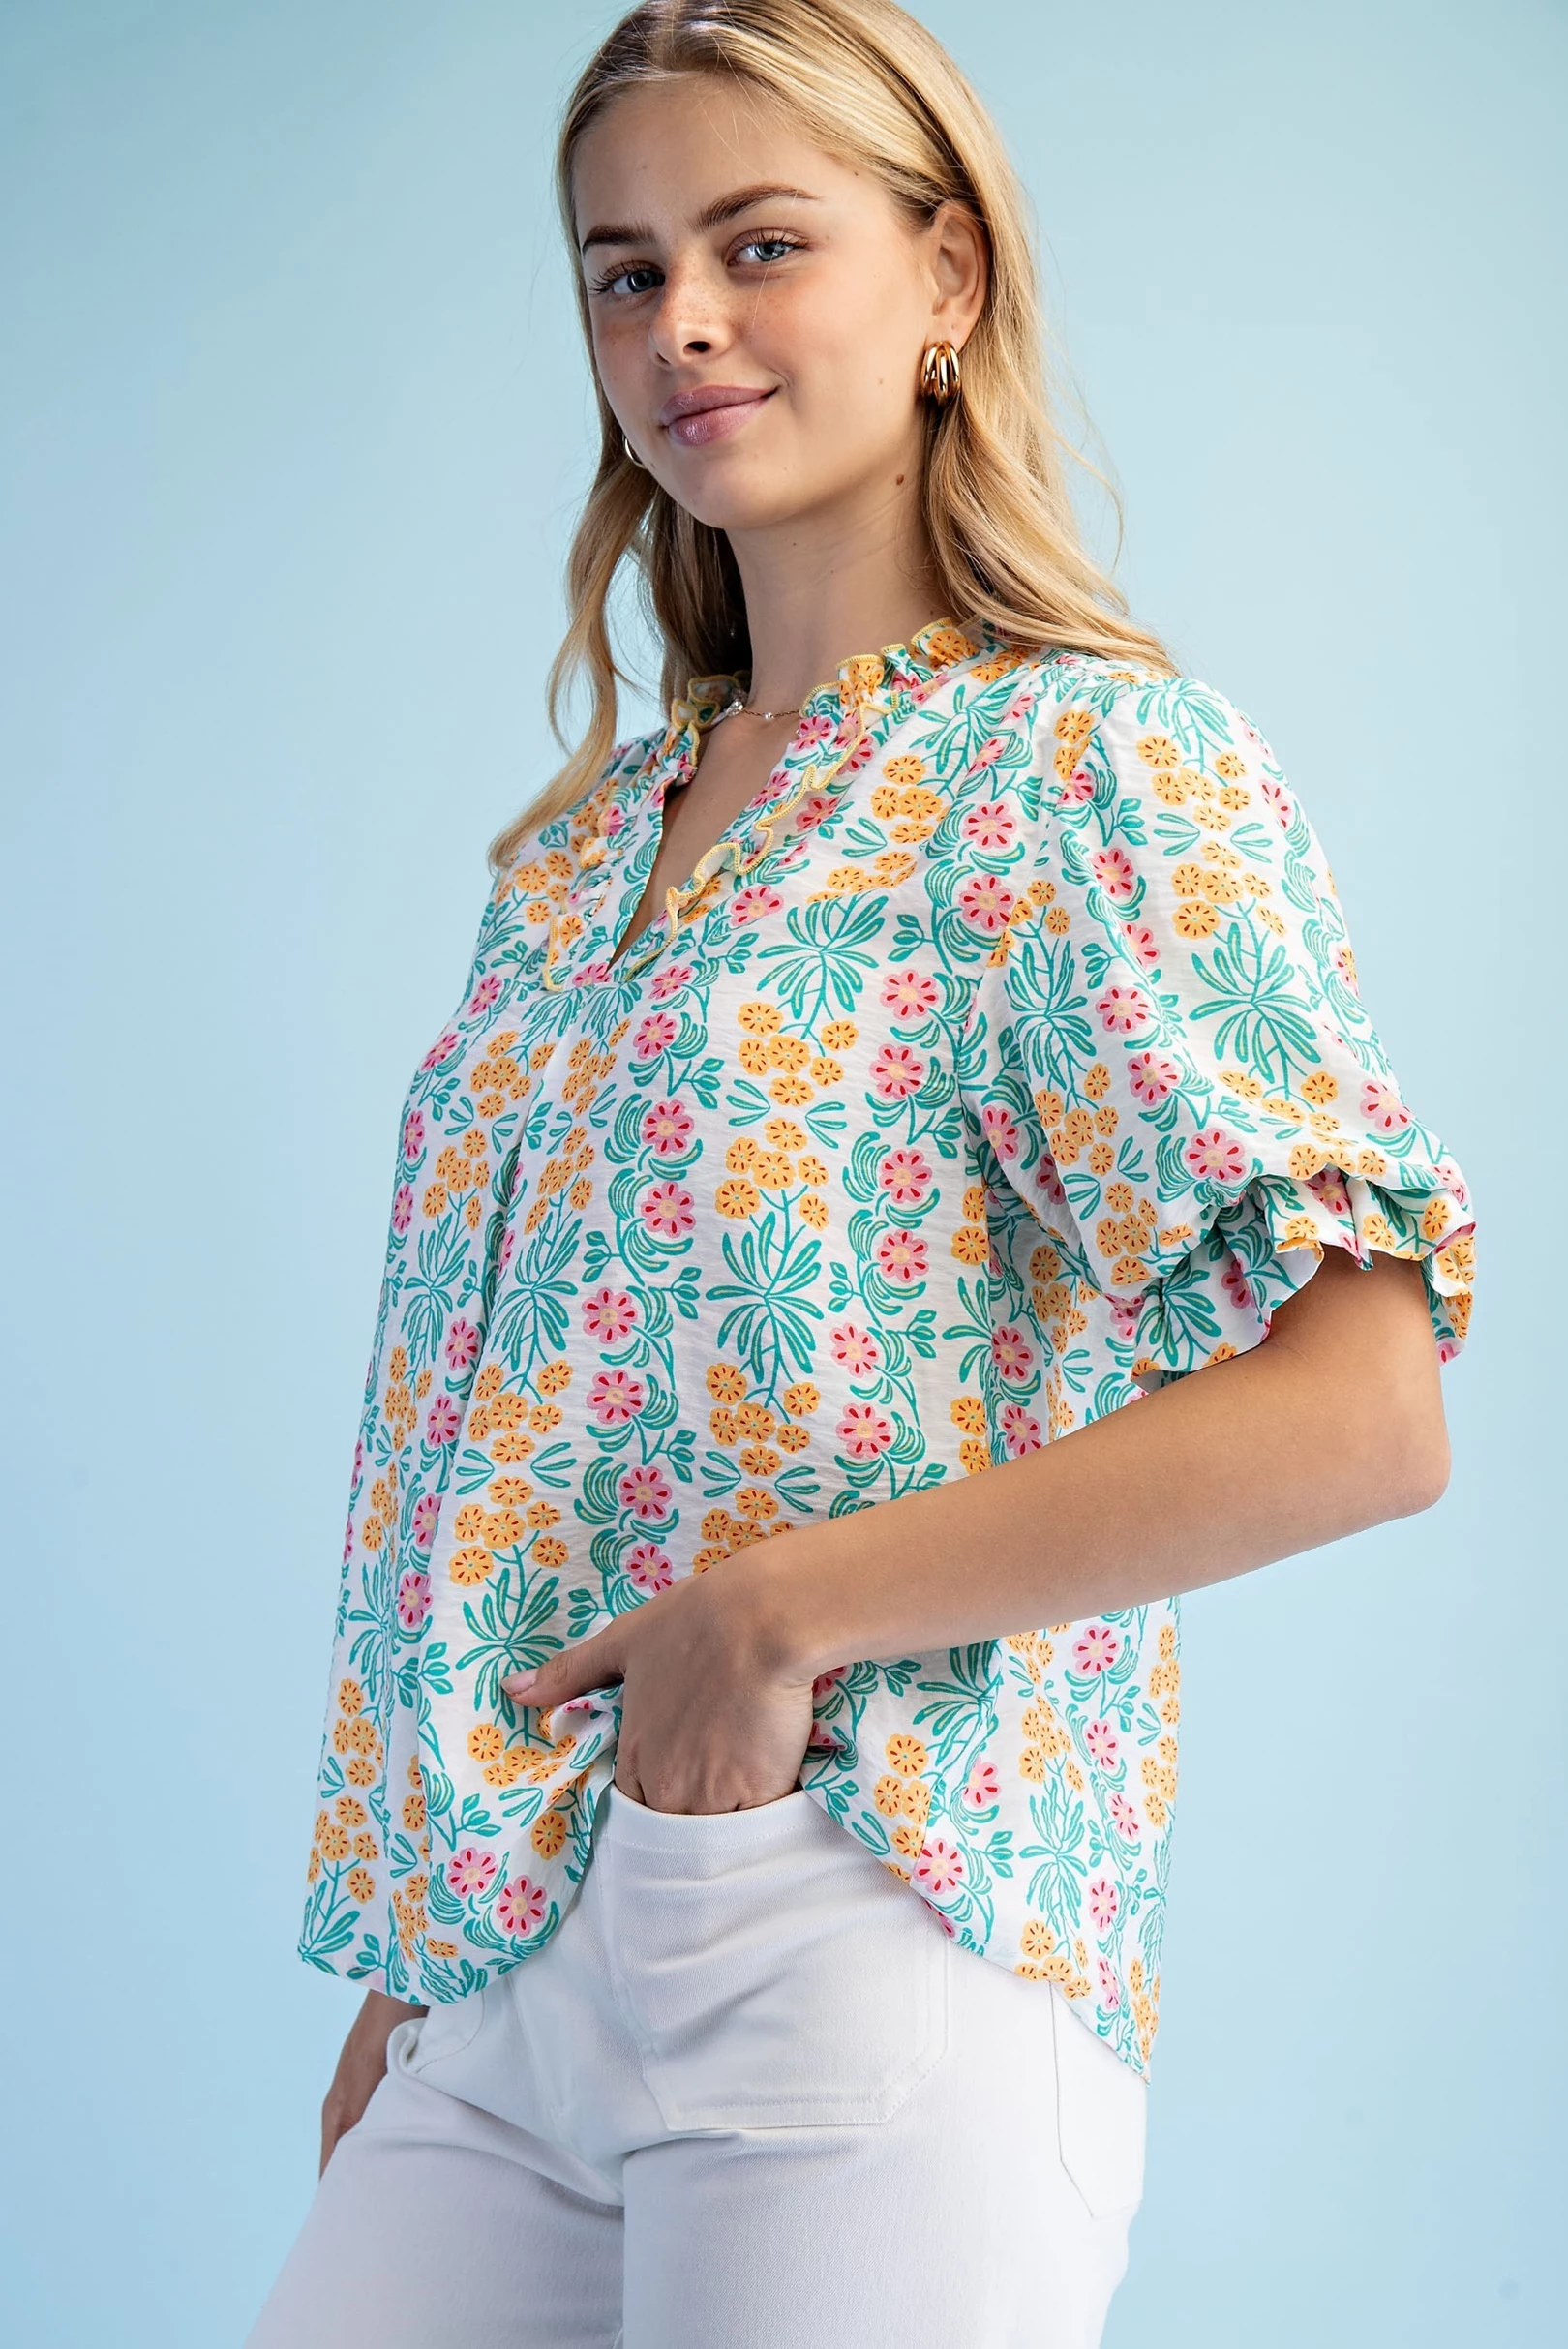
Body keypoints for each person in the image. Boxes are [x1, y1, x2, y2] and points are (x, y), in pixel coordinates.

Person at [246, 3, 1475, 2342]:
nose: (682, 323)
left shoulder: (1081, 767)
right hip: (496, 1969)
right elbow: (514, 1440)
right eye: (624, 272)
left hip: (861, 1908)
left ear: (947, 279)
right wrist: (422, 1949)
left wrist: (770, 1617)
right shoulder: (574, 863)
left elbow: (1364, 1407)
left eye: (759, 243)